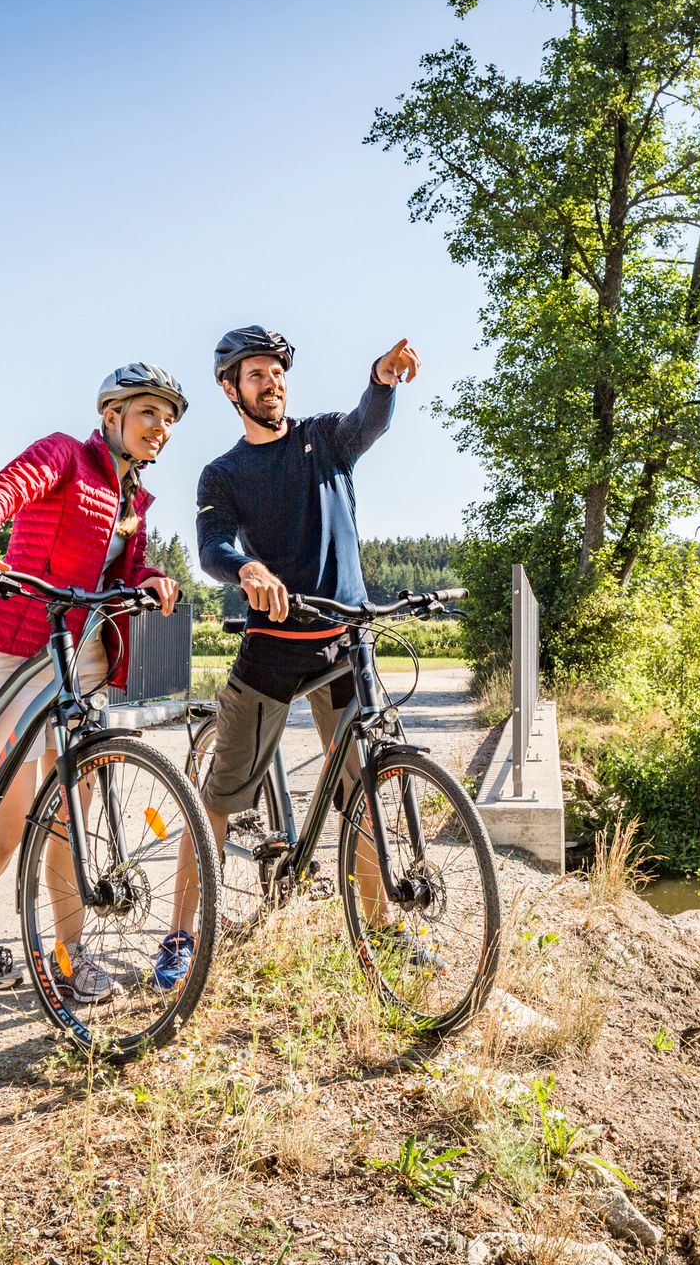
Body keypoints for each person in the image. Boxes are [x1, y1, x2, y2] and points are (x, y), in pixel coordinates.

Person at [0, 363, 185, 998]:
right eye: (149, 412)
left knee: (72, 815)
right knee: (15, 810)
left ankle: (70, 955)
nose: (161, 427)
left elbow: (124, 565)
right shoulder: (64, 456)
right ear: (112, 415)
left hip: (86, 661)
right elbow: (5, 491)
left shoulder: (134, 500)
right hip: (20, 643)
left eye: (169, 418)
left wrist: (150, 577)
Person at [188, 326, 421, 983]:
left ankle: (380, 933)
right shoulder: (225, 473)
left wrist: (381, 378)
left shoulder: (325, 442)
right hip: (272, 653)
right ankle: (181, 938)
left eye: (277, 372)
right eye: (257, 374)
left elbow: (366, 422)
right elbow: (212, 547)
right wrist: (247, 571)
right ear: (231, 388)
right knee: (216, 801)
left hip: (345, 645)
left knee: (366, 791)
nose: (273, 383)